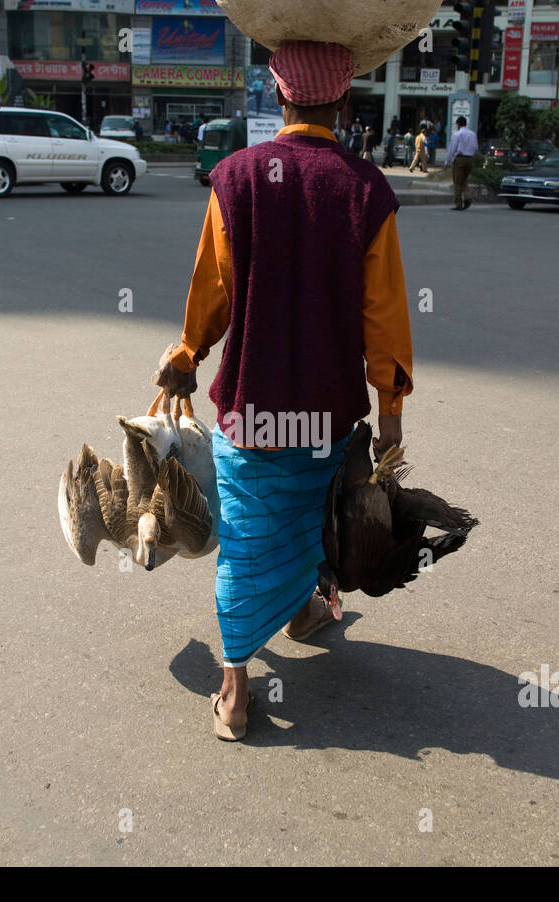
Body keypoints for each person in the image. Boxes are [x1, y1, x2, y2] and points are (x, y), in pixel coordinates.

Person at [152, 40, 413, 741]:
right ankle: (301, 608)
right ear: (344, 103)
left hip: (254, 405)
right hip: (325, 413)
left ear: (278, 97)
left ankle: (235, 693)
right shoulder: (365, 189)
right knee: (307, 510)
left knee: (247, 534)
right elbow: (383, 313)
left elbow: (214, 286)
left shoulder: (235, 178)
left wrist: (186, 355)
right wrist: (390, 411)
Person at [445, 114, 478, 210]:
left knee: (457, 182)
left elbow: (452, 148)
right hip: (470, 159)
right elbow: (476, 147)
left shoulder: (457, 134)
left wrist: (447, 161)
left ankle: (458, 203)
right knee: (464, 180)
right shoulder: (473, 134)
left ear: (458, 124)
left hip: (460, 159)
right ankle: (468, 197)